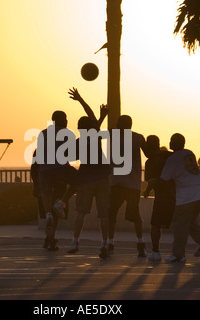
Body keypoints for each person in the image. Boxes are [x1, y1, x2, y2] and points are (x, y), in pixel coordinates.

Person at [67, 88, 111, 259]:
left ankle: (74, 241)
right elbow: (92, 116)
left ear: (79, 128)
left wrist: (100, 117)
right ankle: (105, 243)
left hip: (86, 179)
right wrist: (81, 100)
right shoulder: (95, 136)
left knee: (81, 212)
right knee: (104, 214)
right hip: (102, 177)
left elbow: (73, 156)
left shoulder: (79, 142)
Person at [160, 133, 200, 263]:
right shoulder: (189, 153)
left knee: (180, 223)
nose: (169, 142)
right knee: (191, 219)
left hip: (187, 195)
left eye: (171, 140)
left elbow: (164, 178)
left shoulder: (172, 159)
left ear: (175, 143)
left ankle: (178, 254)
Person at [36, 111, 78, 251]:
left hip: (44, 172)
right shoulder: (67, 133)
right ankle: (62, 202)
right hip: (60, 170)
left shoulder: (42, 133)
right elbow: (71, 154)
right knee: (79, 181)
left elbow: (37, 156)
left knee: (49, 207)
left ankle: (50, 235)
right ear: (63, 120)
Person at [108, 115, 148, 257]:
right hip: (133, 184)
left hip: (116, 183)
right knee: (135, 215)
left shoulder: (113, 133)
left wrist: (102, 116)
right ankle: (140, 243)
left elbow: (95, 132)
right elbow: (149, 153)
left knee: (111, 214)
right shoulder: (138, 138)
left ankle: (110, 243)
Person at [143, 135, 175, 262]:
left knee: (155, 224)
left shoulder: (150, 161)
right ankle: (179, 252)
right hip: (176, 194)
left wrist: (146, 190)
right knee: (179, 224)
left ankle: (156, 251)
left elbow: (153, 181)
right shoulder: (169, 155)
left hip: (162, 197)